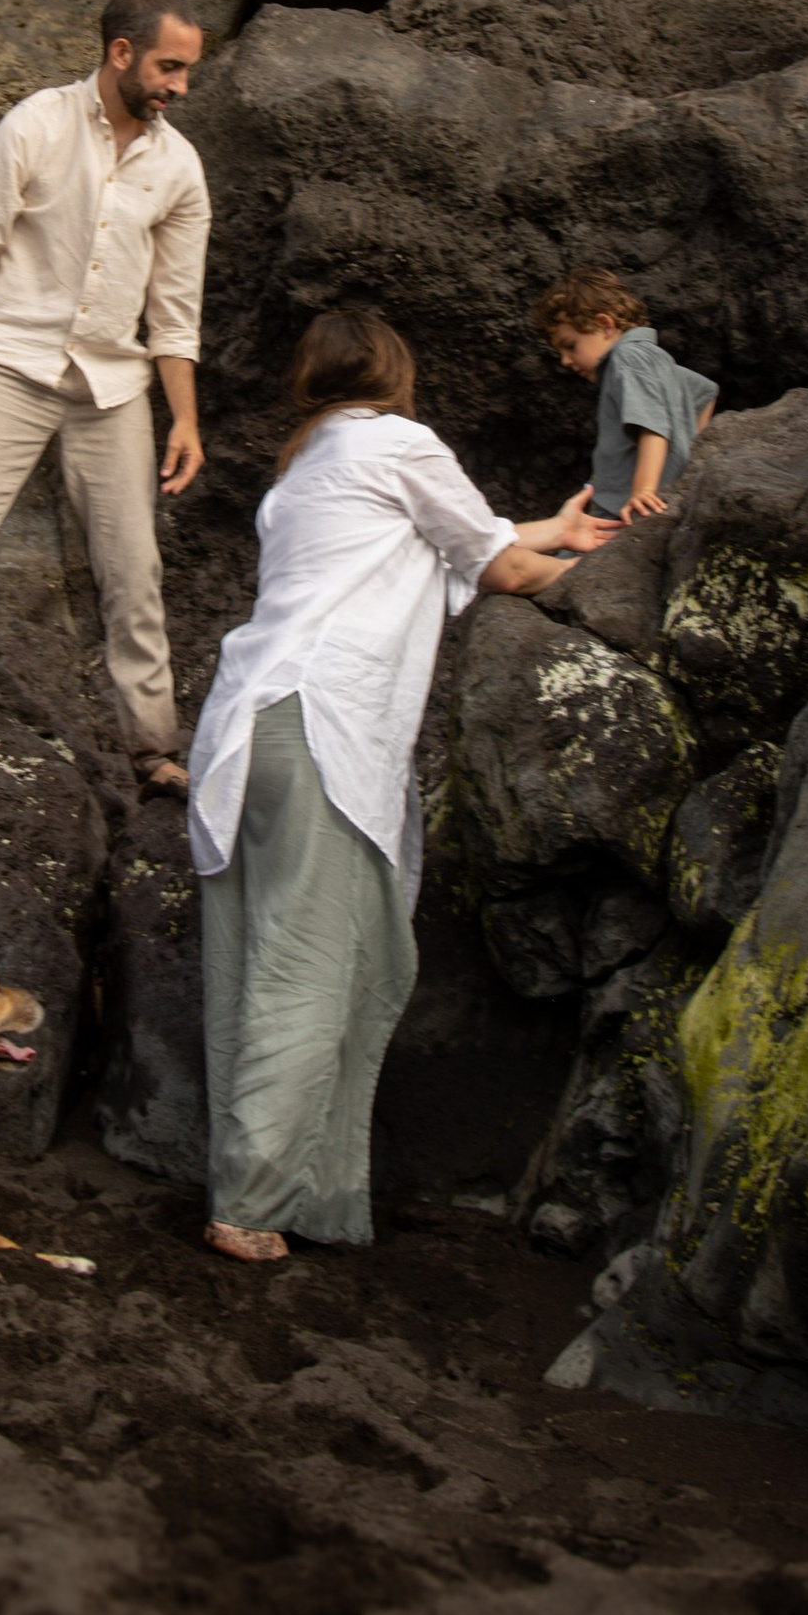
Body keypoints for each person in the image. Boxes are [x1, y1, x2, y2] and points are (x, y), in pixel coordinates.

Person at [186, 304, 613, 1267]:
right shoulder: (401, 442)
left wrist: (560, 527)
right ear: (395, 374)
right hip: (320, 723)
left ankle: (296, 1193)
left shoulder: (302, 468)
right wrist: (610, 561)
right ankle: (248, 1202)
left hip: (247, 726)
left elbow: (442, 541)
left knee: (262, 963)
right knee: (312, 965)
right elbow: (495, 563)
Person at [0, 0, 210, 821]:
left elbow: (175, 311)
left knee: (134, 573)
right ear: (121, 52)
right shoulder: (34, 124)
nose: (179, 87)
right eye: (169, 66)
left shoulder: (179, 166)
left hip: (113, 389)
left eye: (189, 71)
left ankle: (154, 752)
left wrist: (187, 420)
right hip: (4, 367)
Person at [533, 269, 717, 528]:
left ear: (604, 324)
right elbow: (704, 391)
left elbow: (651, 426)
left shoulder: (628, 358)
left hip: (621, 508)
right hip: (634, 499)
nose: (565, 361)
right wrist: (687, 463)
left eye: (570, 345)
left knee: (571, 563)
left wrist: (643, 492)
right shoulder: (652, 358)